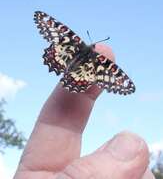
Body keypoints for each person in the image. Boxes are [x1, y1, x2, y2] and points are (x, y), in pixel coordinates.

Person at [14, 44, 154, 179]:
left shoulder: (82, 48)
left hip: (76, 66)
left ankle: (65, 69)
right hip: (78, 69)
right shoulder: (98, 60)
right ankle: (65, 70)